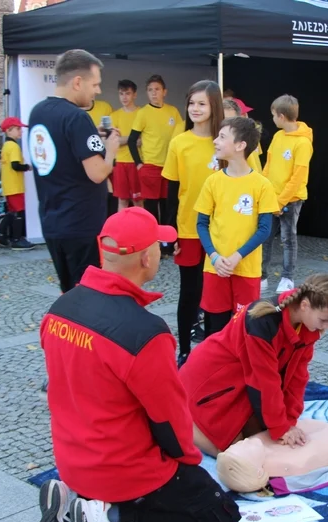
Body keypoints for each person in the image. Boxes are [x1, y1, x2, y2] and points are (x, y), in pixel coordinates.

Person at [37, 208, 240, 522]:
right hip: (122, 468)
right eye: (160, 247)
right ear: (147, 258)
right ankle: (112, 515)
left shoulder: (59, 308)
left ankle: (80, 500)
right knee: (220, 516)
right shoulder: (146, 334)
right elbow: (171, 422)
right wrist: (188, 466)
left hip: (71, 459)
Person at [179, 273, 328, 458]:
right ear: (305, 305)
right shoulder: (262, 322)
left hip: (242, 379)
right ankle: (179, 420)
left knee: (260, 441)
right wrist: (280, 427)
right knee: (232, 453)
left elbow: (297, 378)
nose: (325, 328)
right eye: (323, 320)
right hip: (212, 378)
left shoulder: (307, 326)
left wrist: (289, 422)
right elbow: (264, 383)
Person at [28, 49, 120, 294]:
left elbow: (64, 151)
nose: (97, 91)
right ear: (78, 82)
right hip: (82, 223)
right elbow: (98, 173)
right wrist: (110, 149)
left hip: (52, 219)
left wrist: (92, 138)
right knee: (87, 294)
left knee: (68, 291)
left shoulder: (38, 112)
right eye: (95, 84)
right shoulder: (76, 118)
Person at [195, 117, 279, 337]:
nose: (215, 141)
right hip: (216, 268)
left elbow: (264, 230)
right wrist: (214, 257)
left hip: (246, 269)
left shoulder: (262, 185)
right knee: (216, 330)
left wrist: (236, 257)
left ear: (241, 145)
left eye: (222, 137)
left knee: (244, 329)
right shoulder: (212, 182)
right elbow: (202, 224)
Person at [161, 80, 223, 367]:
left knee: (214, 293)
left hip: (221, 229)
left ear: (214, 106)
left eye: (202, 103)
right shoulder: (179, 142)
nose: (195, 109)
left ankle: (212, 352)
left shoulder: (225, 142)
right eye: (192, 103)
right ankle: (184, 349)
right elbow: (171, 192)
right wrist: (168, 232)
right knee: (190, 292)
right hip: (187, 229)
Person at [260, 94, 313, 295]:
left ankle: (287, 277)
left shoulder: (302, 143)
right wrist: (265, 190)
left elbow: (298, 177)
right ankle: (261, 275)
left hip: (291, 200)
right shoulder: (277, 136)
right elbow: (269, 165)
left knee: (288, 238)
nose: (272, 119)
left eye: (273, 115)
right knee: (265, 236)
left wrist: (281, 200)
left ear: (281, 116)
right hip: (271, 197)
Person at [128, 75, 184, 226]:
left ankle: (167, 240)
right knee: (151, 205)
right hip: (151, 165)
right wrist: (139, 163)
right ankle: (153, 238)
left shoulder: (173, 111)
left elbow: (182, 136)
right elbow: (131, 140)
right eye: (150, 90)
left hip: (169, 166)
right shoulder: (143, 112)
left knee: (167, 204)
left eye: (157, 89)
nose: (154, 93)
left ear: (164, 92)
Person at [0, 116, 35, 250]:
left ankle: (1, 234)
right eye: (18, 129)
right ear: (9, 130)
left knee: (12, 212)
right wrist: (27, 167)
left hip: (9, 185)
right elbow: (15, 165)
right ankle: (17, 239)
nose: (21, 132)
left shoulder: (6, 145)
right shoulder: (13, 146)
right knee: (19, 212)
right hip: (15, 185)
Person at [110, 80, 142, 212]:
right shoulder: (115, 115)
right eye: (121, 93)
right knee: (122, 200)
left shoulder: (142, 113)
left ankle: (141, 231)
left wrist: (123, 139)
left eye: (127, 93)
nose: (124, 97)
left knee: (138, 201)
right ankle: (121, 232)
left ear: (134, 95)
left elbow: (145, 139)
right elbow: (113, 141)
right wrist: (133, 139)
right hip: (120, 162)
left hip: (137, 162)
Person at [222, 100, 264, 173]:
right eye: (223, 119)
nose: (226, 124)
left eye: (231, 121)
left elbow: (254, 174)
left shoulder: (243, 144)